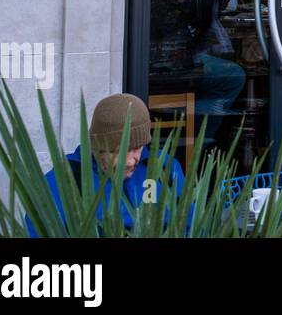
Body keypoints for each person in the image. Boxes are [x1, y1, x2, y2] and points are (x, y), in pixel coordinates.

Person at [26, 94, 191, 237]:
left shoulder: (164, 169)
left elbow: (189, 225)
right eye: (123, 151)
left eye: (138, 148)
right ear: (97, 147)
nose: (133, 160)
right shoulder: (63, 183)